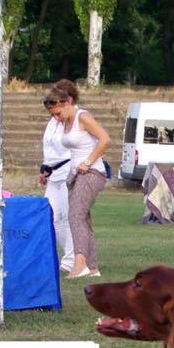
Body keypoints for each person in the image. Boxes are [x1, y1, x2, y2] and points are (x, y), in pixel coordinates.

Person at [45, 79, 111, 279]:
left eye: (58, 113)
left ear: (68, 102)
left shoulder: (83, 116)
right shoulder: (65, 121)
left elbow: (105, 139)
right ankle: (92, 268)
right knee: (84, 218)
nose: (56, 118)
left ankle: (79, 264)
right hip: (75, 174)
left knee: (75, 215)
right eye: (53, 115)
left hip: (91, 173)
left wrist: (88, 162)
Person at [38, 80, 75, 273]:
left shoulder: (75, 120)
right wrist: (44, 169)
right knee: (52, 217)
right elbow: (49, 148)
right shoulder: (52, 122)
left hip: (69, 170)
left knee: (68, 217)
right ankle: (69, 255)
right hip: (53, 174)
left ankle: (71, 259)